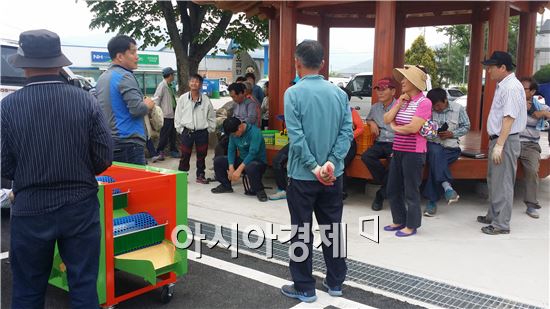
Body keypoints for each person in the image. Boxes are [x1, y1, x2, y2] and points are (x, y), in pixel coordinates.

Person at [1, 29, 113, 308]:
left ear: (24, 64)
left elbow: (4, 164)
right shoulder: (86, 101)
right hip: (80, 206)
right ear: (59, 62)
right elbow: (103, 156)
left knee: (28, 288)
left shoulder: (8, 107)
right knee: (84, 285)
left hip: (30, 207)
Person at [280, 40, 353, 303]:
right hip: (334, 175)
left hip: (302, 175)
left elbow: (296, 138)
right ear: (323, 63)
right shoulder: (339, 94)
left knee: (301, 230)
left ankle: (304, 287)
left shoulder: (293, 94)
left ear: (297, 63)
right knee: (332, 228)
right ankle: (335, 282)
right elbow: (347, 133)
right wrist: (331, 163)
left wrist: (314, 166)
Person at [477, 51, 527, 235]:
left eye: (491, 67)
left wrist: (499, 144)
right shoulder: (504, 85)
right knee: (494, 180)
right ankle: (493, 215)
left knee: (503, 182)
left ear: (502, 68)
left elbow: (509, 118)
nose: (488, 70)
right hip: (499, 139)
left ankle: (501, 224)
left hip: (505, 140)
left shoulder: (511, 87)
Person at [383, 65, 432, 237]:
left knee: (411, 190)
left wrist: (394, 127)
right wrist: (398, 105)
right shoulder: (402, 100)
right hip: (398, 150)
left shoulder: (424, 102)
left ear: (414, 82)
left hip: (414, 152)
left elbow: (413, 128)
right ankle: (398, 220)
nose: (402, 81)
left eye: (405, 78)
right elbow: (386, 118)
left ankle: (411, 225)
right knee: (392, 188)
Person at [96, 35, 155, 165]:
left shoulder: (102, 78)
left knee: (118, 185)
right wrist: (148, 105)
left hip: (110, 142)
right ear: (120, 56)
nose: (137, 56)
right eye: (133, 52)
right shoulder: (125, 76)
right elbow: (137, 109)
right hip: (129, 144)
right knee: (134, 185)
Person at [422, 88, 470, 217]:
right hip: (434, 145)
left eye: (438, 105)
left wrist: (452, 133)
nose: (436, 108)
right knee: (436, 153)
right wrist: (434, 133)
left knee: (435, 162)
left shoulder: (458, 108)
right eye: (434, 106)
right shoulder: (429, 110)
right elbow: (424, 131)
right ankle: (447, 188)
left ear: (445, 100)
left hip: (451, 148)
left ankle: (432, 202)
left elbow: (466, 126)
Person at [211, 117, 268, 202]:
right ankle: (225, 185)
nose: (234, 136)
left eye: (235, 133)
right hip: (242, 160)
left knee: (251, 167)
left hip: (257, 162)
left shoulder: (255, 133)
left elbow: (253, 153)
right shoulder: (233, 134)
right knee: (218, 161)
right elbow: (231, 149)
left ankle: (259, 190)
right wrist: (231, 167)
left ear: (240, 126)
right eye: (232, 135)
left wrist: (238, 170)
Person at [361, 77, 397, 210]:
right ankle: (387, 184)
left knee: (395, 164)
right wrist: (372, 123)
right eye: (378, 90)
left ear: (393, 91)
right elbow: (368, 118)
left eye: (383, 89)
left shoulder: (400, 106)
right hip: (381, 142)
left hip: (396, 142)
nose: (380, 93)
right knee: (366, 156)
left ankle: (380, 195)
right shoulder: (375, 107)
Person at [174, 74, 216, 183]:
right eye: (192, 81)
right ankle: (182, 176)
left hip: (202, 132)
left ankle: (200, 175)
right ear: (189, 83)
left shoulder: (206, 100)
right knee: (185, 154)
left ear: (201, 84)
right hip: (187, 131)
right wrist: (180, 129)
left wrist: (209, 129)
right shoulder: (183, 99)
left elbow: (211, 116)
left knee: (202, 155)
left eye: (197, 82)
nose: (194, 83)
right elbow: (177, 115)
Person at [518, 77, 550, 219]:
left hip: (531, 145)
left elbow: (547, 113)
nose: (520, 91)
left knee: (532, 170)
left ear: (532, 91)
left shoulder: (539, 105)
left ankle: (531, 204)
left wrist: (539, 113)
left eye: (524, 89)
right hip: (513, 141)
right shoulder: (515, 102)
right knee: (504, 168)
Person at [151, 67, 179, 162]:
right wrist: (157, 113)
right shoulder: (162, 85)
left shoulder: (170, 85)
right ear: (170, 75)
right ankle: (160, 151)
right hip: (165, 115)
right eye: (173, 74)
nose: (174, 76)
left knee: (173, 134)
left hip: (172, 114)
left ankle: (173, 150)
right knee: (164, 135)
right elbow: (157, 99)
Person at [341, 87, 364, 200]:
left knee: (341, 164)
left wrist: (348, 136)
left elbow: (360, 128)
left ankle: (342, 191)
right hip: (334, 144)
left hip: (349, 144)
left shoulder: (351, 111)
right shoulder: (330, 110)